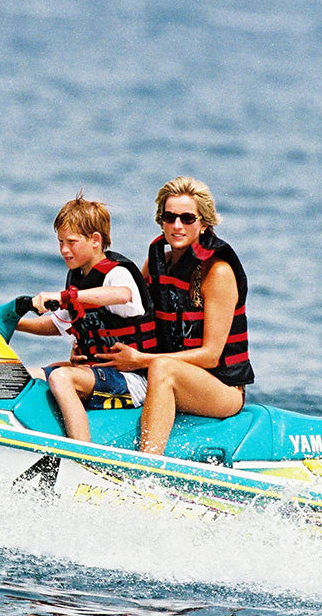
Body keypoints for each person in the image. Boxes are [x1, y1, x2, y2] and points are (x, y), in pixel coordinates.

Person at [94, 176, 254, 454]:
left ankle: (146, 467)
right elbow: (129, 320)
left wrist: (142, 360)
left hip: (222, 388)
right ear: (161, 221)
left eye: (187, 218)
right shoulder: (156, 263)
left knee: (162, 368)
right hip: (163, 370)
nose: (177, 225)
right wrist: (93, 347)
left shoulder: (218, 273)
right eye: (170, 217)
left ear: (204, 223)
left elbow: (210, 355)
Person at [16, 192, 155, 442]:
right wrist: (11, 324)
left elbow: (121, 295)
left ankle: (81, 452)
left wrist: (66, 297)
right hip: (96, 372)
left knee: (60, 376)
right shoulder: (78, 278)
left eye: (70, 242)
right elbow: (54, 324)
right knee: (25, 376)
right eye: (60, 242)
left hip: (133, 381)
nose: (63, 250)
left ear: (95, 240)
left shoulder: (117, 273)